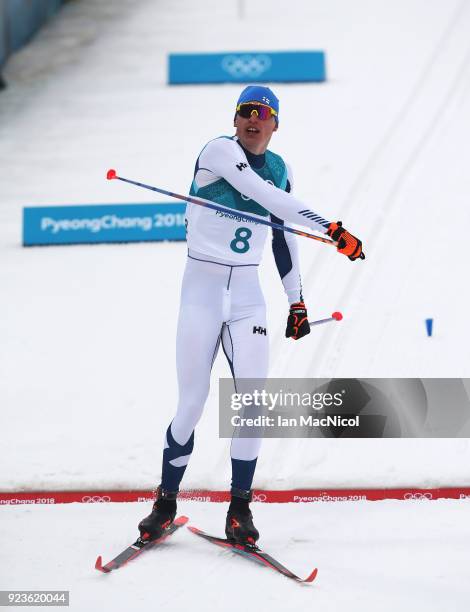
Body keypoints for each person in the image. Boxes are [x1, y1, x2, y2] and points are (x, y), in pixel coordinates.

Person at [138, 85, 364, 545]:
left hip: (246, 297)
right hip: (200, 293)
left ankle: (239, 511)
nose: (253, 120)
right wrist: (333, 229)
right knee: (192, 404)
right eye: (246, 112)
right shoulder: (219, 151)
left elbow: (282, 235)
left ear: (276, 124)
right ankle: (165, 503)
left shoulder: (281, 170)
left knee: (253, 405)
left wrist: (297, 301)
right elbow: (266, 197)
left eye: (263, 114)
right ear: (236, 119)